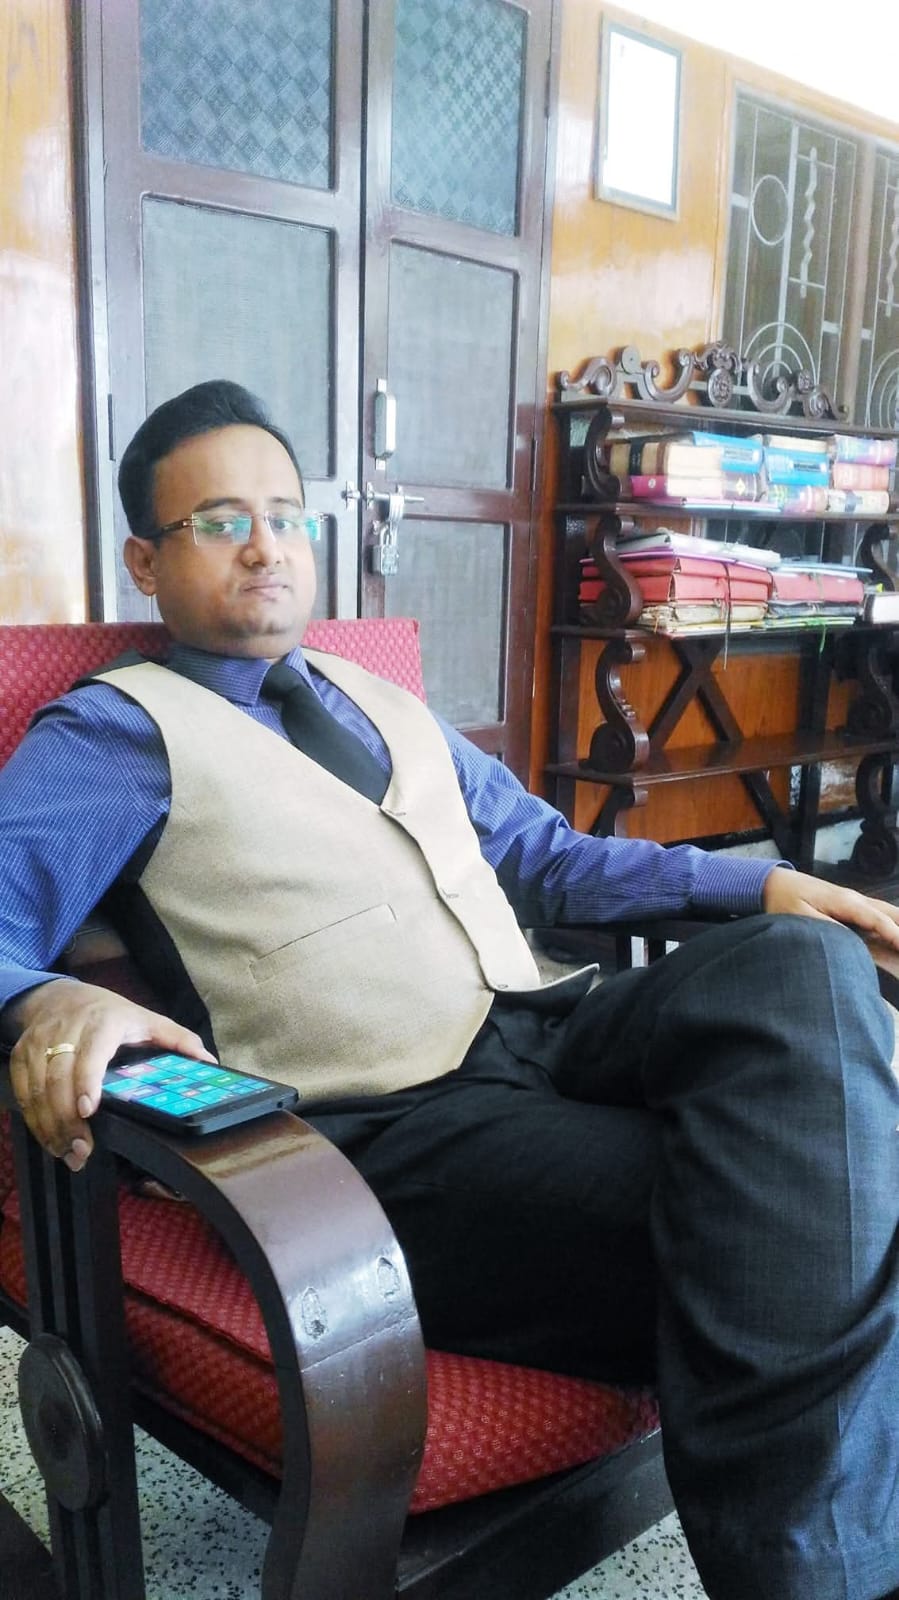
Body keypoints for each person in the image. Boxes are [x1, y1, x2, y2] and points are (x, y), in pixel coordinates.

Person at [2, 379, 899, 1600]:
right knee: (811, 1195)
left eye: (285, 515)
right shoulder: (113, 735)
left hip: (551, 1021)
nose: (266, 547)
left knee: (803, 967)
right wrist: (47, 1000)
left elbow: (550, 858)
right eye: (218, 521)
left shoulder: (377, 698)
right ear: (145, 563)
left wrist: (765, 886)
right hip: (395, 1125)